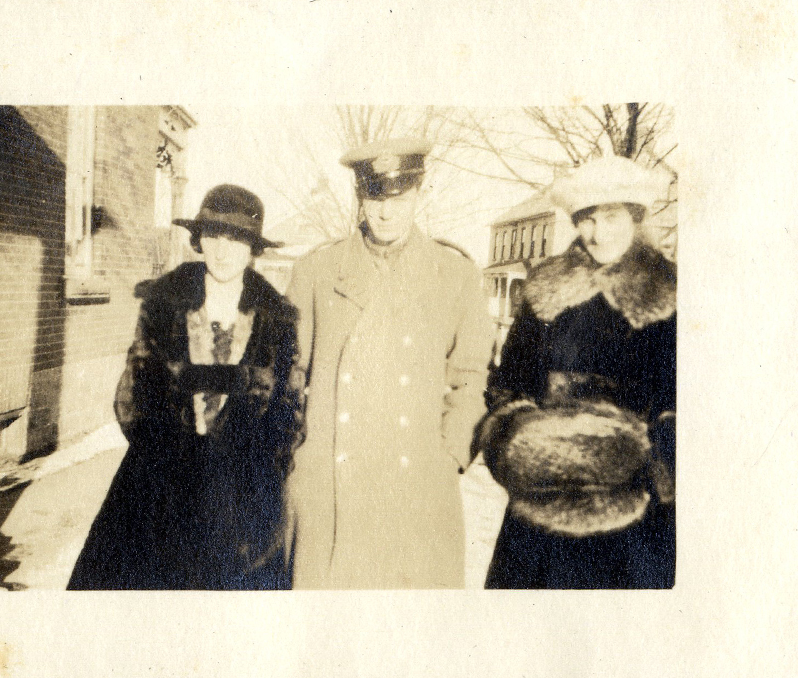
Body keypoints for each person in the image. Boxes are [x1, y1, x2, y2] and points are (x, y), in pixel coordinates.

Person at [67, 184, 305, 590]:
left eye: (236, 239)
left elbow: (289, 409)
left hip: (243, 503)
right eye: (214, 236)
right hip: (161, 490)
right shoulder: (165, 304)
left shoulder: (276, 320)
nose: (223, 251)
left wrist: (259, 466)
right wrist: (168, 454)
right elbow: (132, 397)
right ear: (199, 240)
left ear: (252, 249)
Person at [284, 138, 495, 589]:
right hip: (329, 483)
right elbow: (287, 372)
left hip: (418, 480)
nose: (386, 212)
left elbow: (471, 376)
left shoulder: (454, 274)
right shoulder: (317, 271)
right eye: (375, 198)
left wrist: (450, 455)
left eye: (399, 198)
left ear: (420, 194)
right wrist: (299, 451)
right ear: (359, 199)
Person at [473, 155, 676, 589]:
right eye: (587, 219)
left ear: (635, 218)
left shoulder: (672, 294)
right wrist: (519, 444)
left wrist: (657, 463)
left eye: (612, 217)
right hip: (542, 502)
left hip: (636, 510)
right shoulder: (546, 288)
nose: (598, 233)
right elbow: (509, 382)